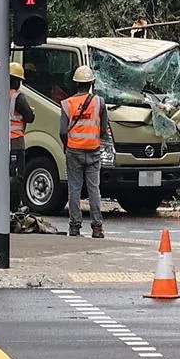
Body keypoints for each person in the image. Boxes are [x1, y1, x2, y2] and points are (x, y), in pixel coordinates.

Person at [60, 65, 108, 238]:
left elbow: (63, 131)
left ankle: (74, 227)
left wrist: (68, 146)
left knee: (74, 189)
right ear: (91, 83)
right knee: (94, 189)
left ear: (75, 84)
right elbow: (103, 129)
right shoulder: (100, 103)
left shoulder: (67, 104)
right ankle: (97, 228)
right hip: (93, 151)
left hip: (73, 151)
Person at [0, 62, 35, 212]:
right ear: (16, 80)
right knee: (16, 177)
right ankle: (13, 208)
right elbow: (30, 117)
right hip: (15, 142)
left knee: (1, 176)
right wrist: (31, 112)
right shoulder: (18, 98)